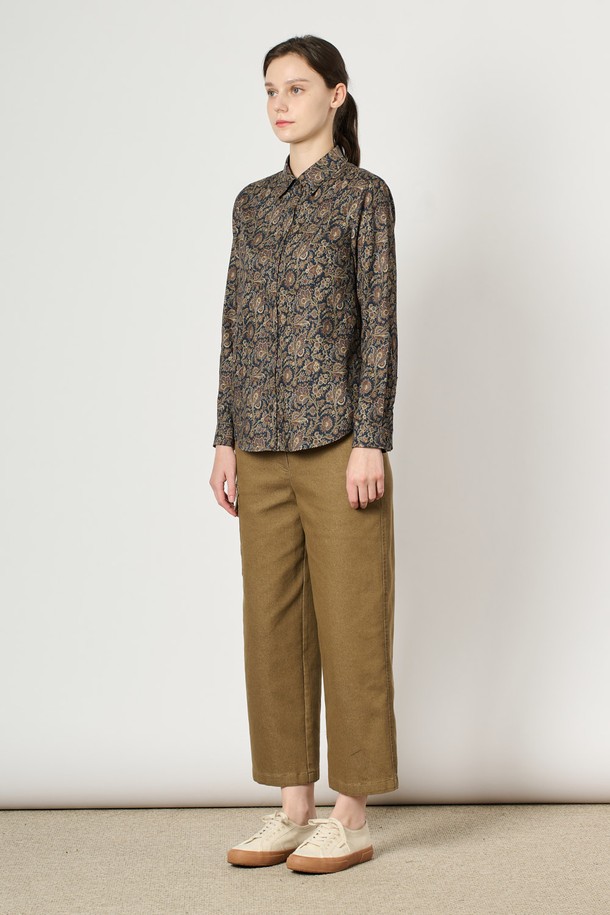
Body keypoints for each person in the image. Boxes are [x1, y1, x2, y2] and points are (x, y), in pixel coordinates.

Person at [209, 34, 399, 875]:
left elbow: (379, 324)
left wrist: (372, 437)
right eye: (270, 90)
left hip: (338, 444)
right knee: (273, 624)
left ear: (337, 95)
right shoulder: (252, 204)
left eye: (296, 87)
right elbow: (235, 325)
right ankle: (293, 806)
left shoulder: (364, 196)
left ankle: (349, 813)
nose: (280, 104)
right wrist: (224, 434)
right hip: (259, 441)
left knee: (353, 621)